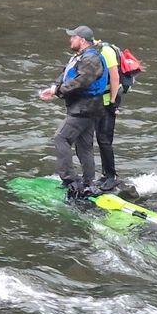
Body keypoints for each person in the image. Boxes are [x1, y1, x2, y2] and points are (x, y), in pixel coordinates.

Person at [38, 25, 107, 203]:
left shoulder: (91, 59)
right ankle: (88, 182)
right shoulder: (80, 56)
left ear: (82, 40)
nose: (70, 40)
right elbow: (66, 74)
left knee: (61, 138)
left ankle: (71, 181)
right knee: (84, 146)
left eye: (73, 37)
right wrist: (54, 88)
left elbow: (82, 81)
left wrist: (58, 91)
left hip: (85, 107)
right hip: (86, 107)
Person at [93, 37, 122, 193]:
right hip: (100, 101)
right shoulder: (94, 51)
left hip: (109, 101)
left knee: (105, 139)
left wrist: (112, 101)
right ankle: (106, 174)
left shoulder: (106, 51)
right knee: (101, 138)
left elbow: (115, 77)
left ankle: (112, 176)